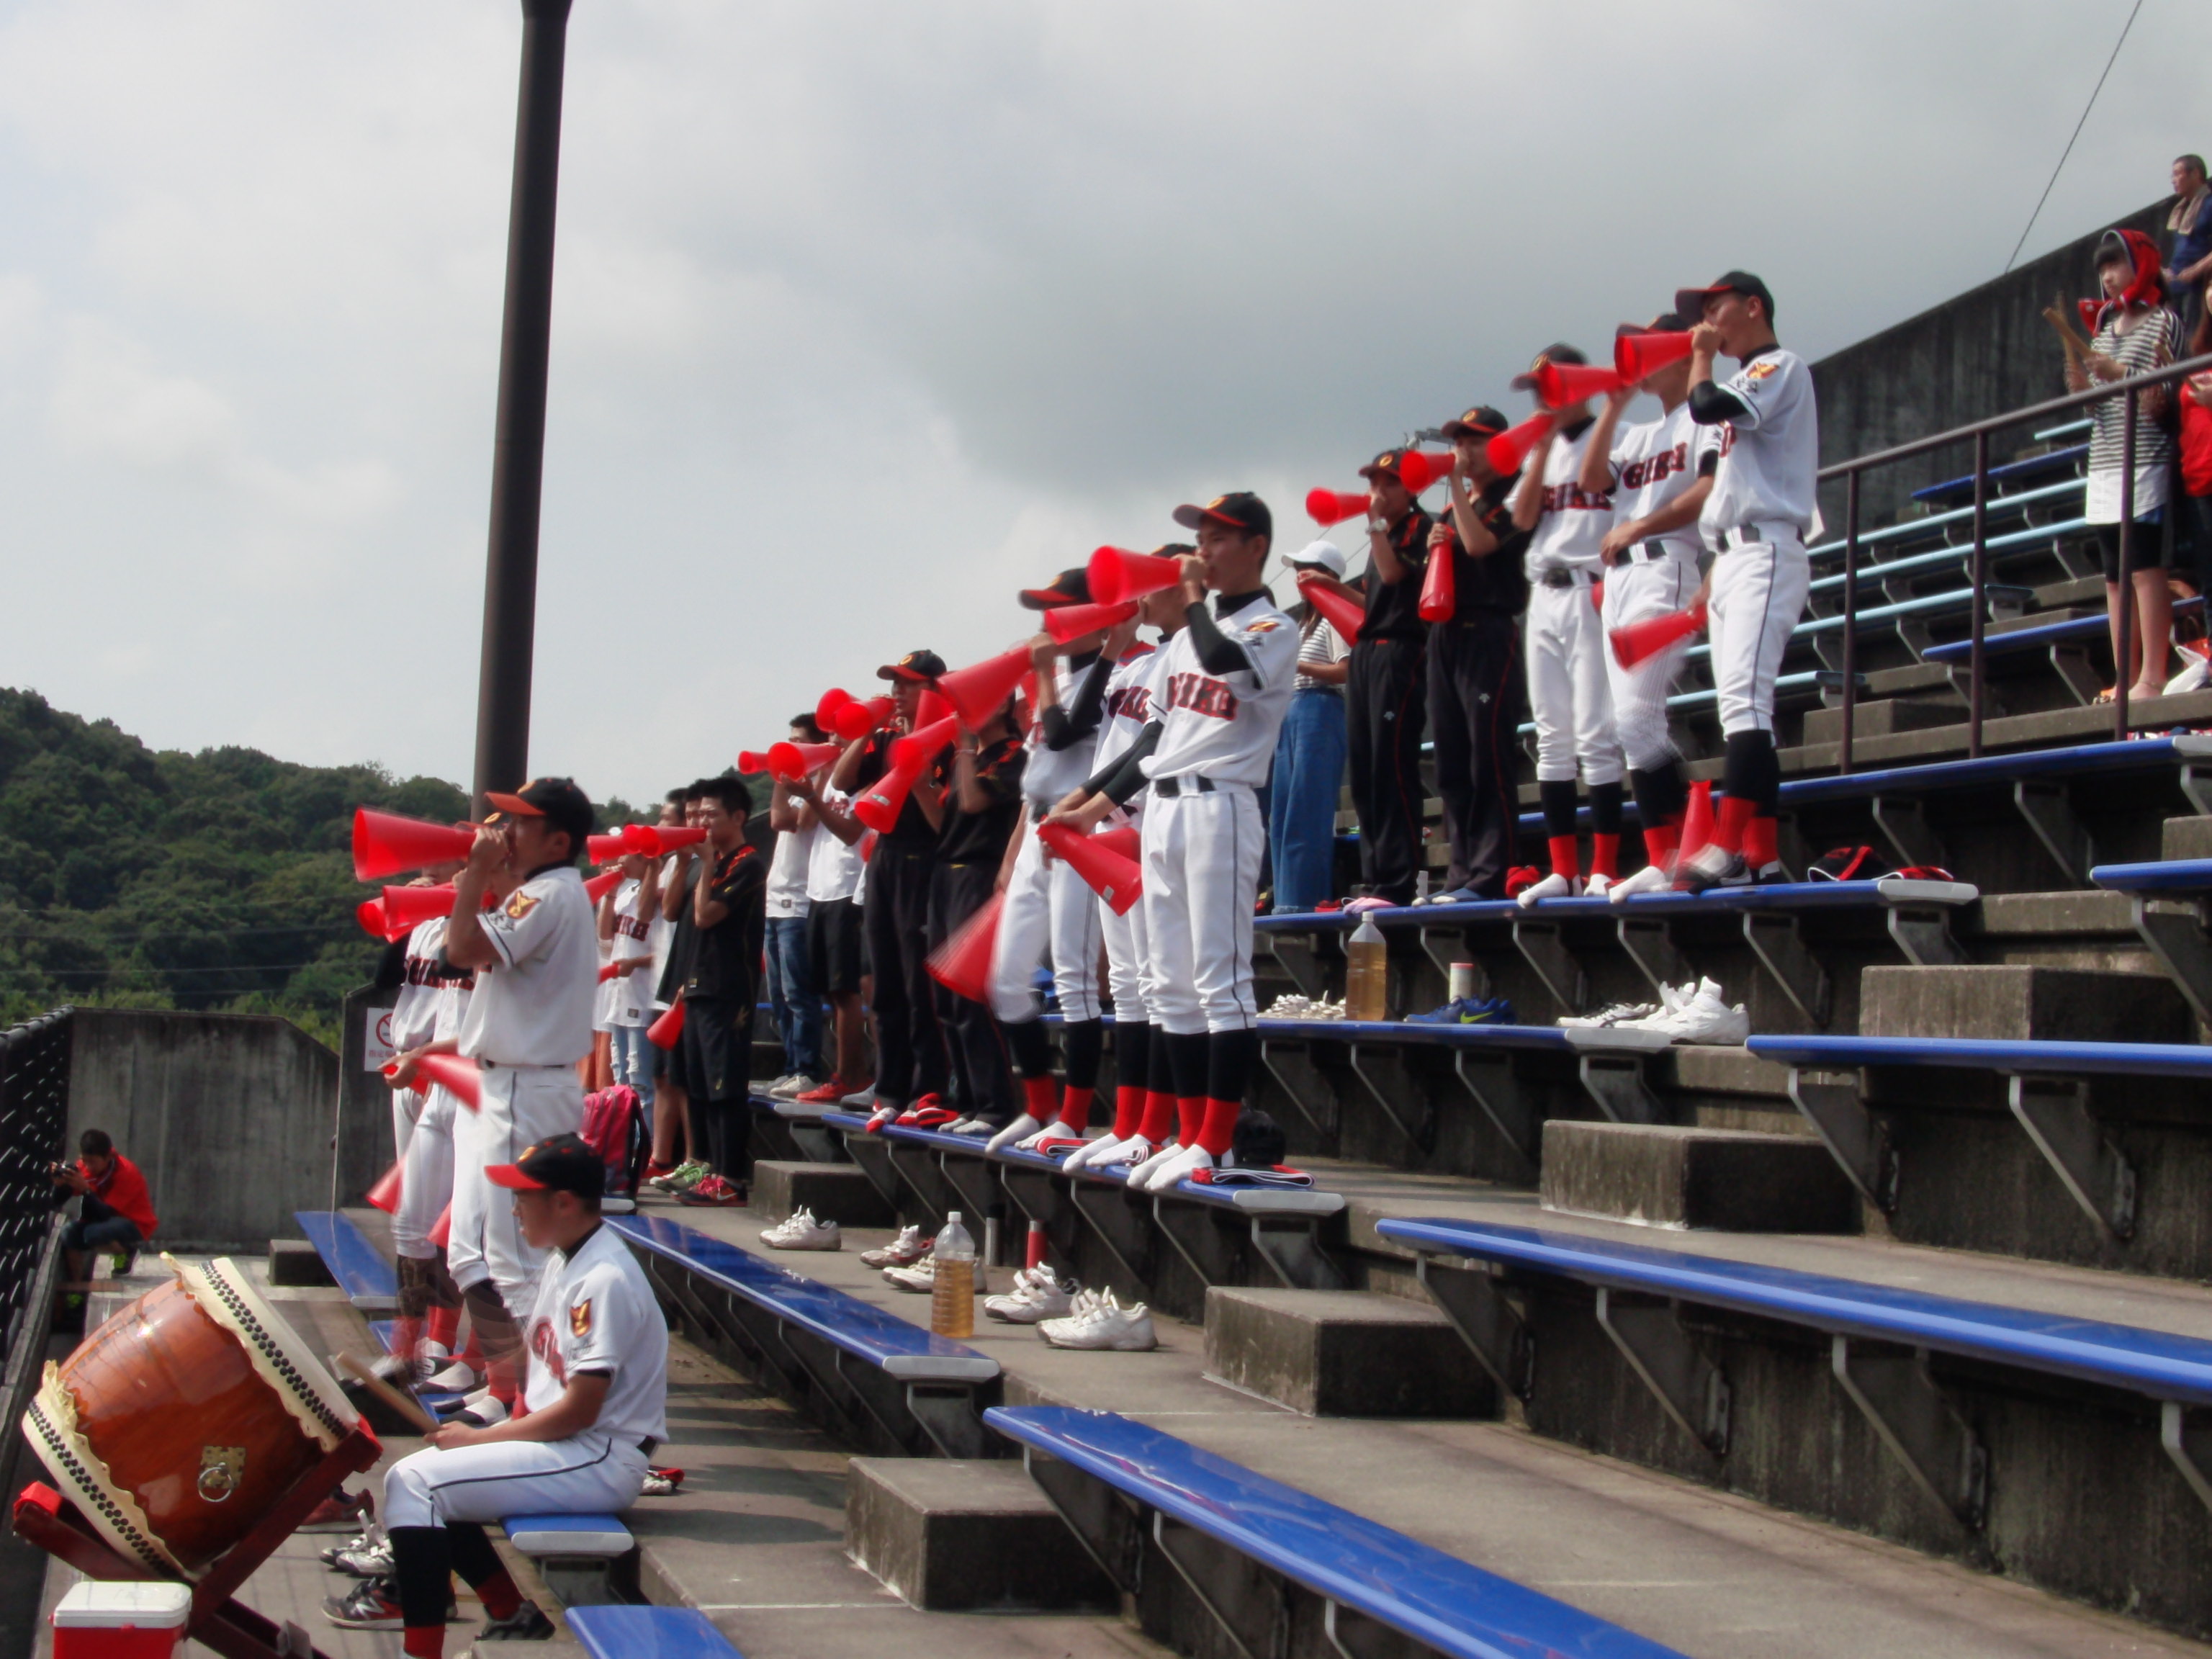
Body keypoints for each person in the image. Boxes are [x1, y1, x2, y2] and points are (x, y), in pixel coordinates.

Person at [1043, 493, 1298, 1192]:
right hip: (1163, 808)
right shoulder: (1190, 631)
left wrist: (1190, 601)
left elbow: (1231, 668)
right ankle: (1186, 1136)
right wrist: (1093, 801)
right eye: (1202, 537)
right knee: (1167, 985)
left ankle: (1214, 1144)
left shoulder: (1273, 623)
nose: (1205, 549)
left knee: (1221, 982)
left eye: (1218, 537)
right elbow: (1156, 738)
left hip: (1224, 806)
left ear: (1256, 546)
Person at [329, 1133, 667, 1655]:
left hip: (599, 1455)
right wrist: (487, 1438)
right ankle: (513, 1615)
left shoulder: (604, 1279)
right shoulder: (567, 1258)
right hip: (574, 1446)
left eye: (524, 1197)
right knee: (435, 1483)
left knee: (413, 1483)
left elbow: (579, 1411)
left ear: (563, 1202)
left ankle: (428, 1649)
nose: (514, 1209)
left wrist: (486, 1438)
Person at [439, 775, 598, 1425]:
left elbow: (463, 950)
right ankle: (509, 1389)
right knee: (471, 1253)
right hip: (507, 1081)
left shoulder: (551, 891)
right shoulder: (544, 891)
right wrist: (489, 880)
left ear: (558, 840)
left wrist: (478, 873)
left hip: (526, 1087)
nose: (505, 831)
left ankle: (544, 1407)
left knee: (517, 1260)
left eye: (521, 823)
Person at [1674, 271, 1819, 889]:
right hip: (1735, 554)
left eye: (1716, 306)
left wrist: (1701, 357)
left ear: (1753, 306)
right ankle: (1760, 855)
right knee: (1740, 710)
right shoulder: (1742, 376)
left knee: (1745, 704)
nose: (1706, 318)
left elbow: (1705, 405)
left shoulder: (1780, 365)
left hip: (1768, 550)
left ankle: (1729, 848)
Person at [1578, 315, 1716, 898]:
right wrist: (1612, 406)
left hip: (1667, 565)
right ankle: (1667, 855)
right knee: (1628, 727)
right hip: (1622, 579)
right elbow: (1590, 481)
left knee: (1637, 719)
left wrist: (1638, 527)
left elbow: (1706, 490)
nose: (1642, 361)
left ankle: (1696, 846)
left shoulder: (1703, 415)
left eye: (1652, 347)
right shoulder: (1635, 434)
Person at [985, 570, 1115, 1154]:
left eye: (1059, 612)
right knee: (1006, 982)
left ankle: (1075, 1117)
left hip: (1079, 829)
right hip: (1037, 825)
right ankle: (1038, 1109)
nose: (1046, 624)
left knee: (1075, 980)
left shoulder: (1111, 674)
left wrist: (1041, 674)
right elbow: (1035, 774)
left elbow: (1067, 742)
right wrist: (1014, 850)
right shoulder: (1058, 675)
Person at [1063, 572, 1188, 1174]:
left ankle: (1159, 1129)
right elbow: (1076, 730)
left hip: (1149, 821)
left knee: (1160, 982)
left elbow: (1151, 747)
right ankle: (1131, 1124)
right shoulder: (1120, 668)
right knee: (1130, 985)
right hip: (1111, 823)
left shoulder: (1176, 656)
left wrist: (1090, 801)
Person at [1509, 346, 1624, 904]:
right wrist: (1541, 447)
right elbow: (1524, 518)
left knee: (1596, 733)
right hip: (1544, 594)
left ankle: (1603, 866)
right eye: (1537, 390)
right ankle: (1563, 868)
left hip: (1589, 589)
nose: (1542, 398)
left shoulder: (1615, 432)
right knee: (1551, 736)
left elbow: (1604, 489)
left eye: (1551, 386)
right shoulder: (1544, 449)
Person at [2064, 229, 2185, 705]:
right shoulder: (2104, 328)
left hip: (2146, 459)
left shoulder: (2164, 321)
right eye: (2102, 270)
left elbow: (2168, 393)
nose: (2109, 278)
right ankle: (2125, 675)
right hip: (2106, 461)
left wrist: (2121, 376)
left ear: (2141, 265)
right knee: (2114, 577)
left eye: (2116, 266)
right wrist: (2084, 386)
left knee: (2144, 569)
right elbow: (2099, 408)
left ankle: (2152, 676)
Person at [836, 650, 952, 1127]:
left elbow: (944, 822)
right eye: (894, 685)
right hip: (884, 858)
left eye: (907, 684)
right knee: (884, 980)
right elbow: (843, 783)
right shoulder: (884, 736)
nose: (896, 693)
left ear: (932, 689)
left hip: (922, 861)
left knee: (917, 979)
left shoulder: (946, 737)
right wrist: (866, 726)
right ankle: (890, 1085)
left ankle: (929, 1085)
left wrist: (919, 773)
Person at [1421, 405, 1530, 904]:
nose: (1463, 450)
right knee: (1452, 760)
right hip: (1447, 636)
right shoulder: (1456, 505)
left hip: (1488, 629)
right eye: (1459, 440)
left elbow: (1482, 543)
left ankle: (1491, 871)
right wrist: (1435, 540)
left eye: (1474, 440)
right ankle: (1461, 871)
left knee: (1487, 754)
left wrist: (1455, 499)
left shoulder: (1514, 494)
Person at [383, 867, 472, 1384]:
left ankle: (465, 1353)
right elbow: (385, 976)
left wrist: (422, 1056)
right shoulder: (428, 927)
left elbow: (491, 1027)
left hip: (477, 1084)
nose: (452, 875)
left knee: (467, 1231)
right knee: (412, 1219)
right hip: (427, 1073)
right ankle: (407, 1349)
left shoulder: (505, 929)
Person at [1343, 451, 1433, 912]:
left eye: (1389, 483)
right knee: (1364, 768)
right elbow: (1370, 595)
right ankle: (1374, 876)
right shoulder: (1386, 533)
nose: (1379, 493)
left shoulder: (1419, 528)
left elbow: (1398, 576)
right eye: (1375, 483)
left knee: (1390, 765)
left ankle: (1397, 881)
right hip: (1368, 649)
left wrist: (1375, 526)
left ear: (1410, 488)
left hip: (1401, 649)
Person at [932, 696, 1025, 1133]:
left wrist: (964, 745)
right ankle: (967, 1099)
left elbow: (972, 803)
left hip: (981, 872)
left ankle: (995, 1105)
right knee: (947, 999)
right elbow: (946, 817)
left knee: (971, 994)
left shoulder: (1013, 756)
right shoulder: (967, 757)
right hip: (946, 873)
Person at [672, 776, 765, 1205]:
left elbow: (707, 916)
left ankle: (730, 1177)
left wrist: (706, 863)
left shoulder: (747, 862)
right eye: (695, 815)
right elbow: (675, 912)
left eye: (710, 815)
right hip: (696, 982)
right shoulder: (706, 863)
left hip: (728, 986)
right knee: (697, 1083)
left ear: (738, 817)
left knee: (725, 1083)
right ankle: (706, 1167)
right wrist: (684, 862)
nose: (701, 823)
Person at [1267, 540, 1351, 914]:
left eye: (1309, 566)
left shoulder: (1335, 616)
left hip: (1320, 706)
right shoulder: (1303, 623)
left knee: (1307, 808)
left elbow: (1344, 670)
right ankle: (1286, 898)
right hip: (1293, 711)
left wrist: (1294, 667)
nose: (1300, 574)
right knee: (1282, 813)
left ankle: (1303, 899)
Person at [788, 755, 871, 1104]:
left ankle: (850, 1076)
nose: (833, 744)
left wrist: (812, 797)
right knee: (828, 991)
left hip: (848, 889)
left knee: (846, 990)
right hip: (819, 892)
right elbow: (798, 824)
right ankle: (850, 1072)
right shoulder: (827, 780)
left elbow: (851, 832)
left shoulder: (867, 779)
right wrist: (814, 783)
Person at [763, 715, 826, 1098]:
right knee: (779, 996)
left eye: (799, 743)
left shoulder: (819, 784)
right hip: (775, 903)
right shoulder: (793, 786)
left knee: (799, 993)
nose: (792, 748)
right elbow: (777, 817)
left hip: (799, 903)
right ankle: (791, 1065)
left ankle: (807, 1068)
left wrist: (784, 782)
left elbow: (791, 822)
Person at [52, 1129, 155, 1286]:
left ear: (108, 1158)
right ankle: (77, 1284)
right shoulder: (85, 1166)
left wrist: (86, 1190)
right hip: (101, 1219)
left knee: (93, 1233)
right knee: (68, 1233)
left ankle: (125, 1252)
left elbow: (106, 1214)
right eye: (84, 1161)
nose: (87, 1166)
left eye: (92, 1162)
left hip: (133, 1224)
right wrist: (61, 1185)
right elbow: (57, 1201)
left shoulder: (126, 1173)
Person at [598, 848, 659, 1112]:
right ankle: (622, 1145)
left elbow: (669, 951)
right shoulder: (625, 894)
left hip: (643, 997)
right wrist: (610, 891)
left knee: (640, 1083)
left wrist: (635, 963)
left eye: (628, 854)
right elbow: (604, 936)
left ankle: (641, 1147)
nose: (620, 859)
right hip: (619, 996)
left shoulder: (659, 896)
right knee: (619, 1078)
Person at [2168, 153, 2212, 342]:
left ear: (2195, 174)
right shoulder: (2181, 210)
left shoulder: (2209, 205)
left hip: (2198, 286)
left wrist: (2197, 269)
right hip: (2176, 287)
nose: (2174, 180)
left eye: (2178, 174)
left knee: (2195, 341)